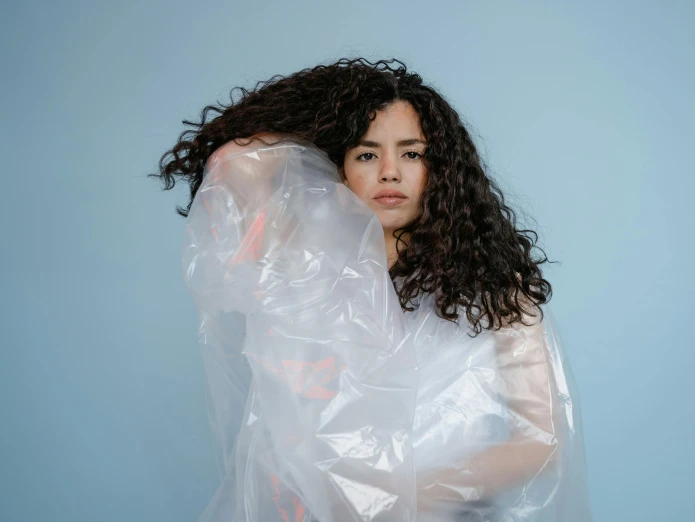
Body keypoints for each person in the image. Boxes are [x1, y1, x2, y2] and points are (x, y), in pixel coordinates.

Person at [151, 58, 592, 521]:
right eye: (366, 154)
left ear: (442, 168)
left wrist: (399, 498)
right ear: (335, 170)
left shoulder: (496, 292)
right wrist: (338, 104)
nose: (389, 172)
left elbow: (539, 441)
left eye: (412, 153)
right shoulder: (299, 270)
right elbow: (234, 160)